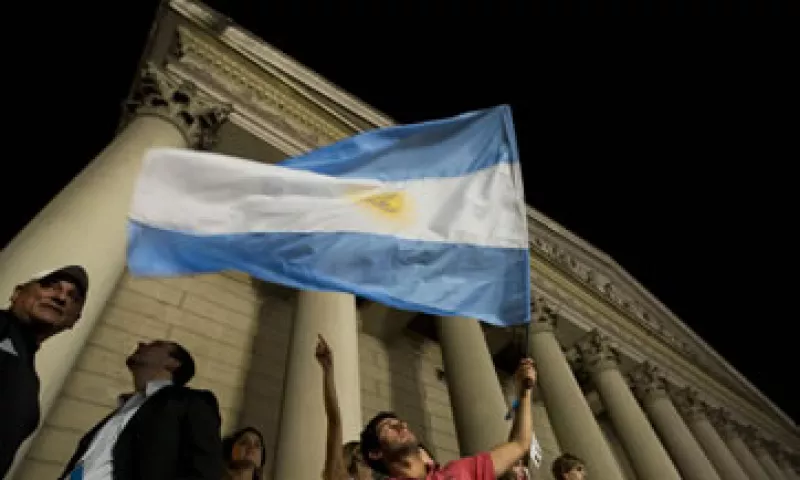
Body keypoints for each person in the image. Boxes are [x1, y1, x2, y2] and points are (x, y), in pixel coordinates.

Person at [58, 340, 224, 480]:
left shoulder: (191, 401)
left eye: (156, 344)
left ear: (173, 363)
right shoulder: (123, 410)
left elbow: (205, 466)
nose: (141, 343)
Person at [360, 358, 537, 480]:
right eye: (387, 427)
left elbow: (520, 443)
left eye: (399, 422)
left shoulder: (459, 472)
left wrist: (524, 392)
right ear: (376, 453)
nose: (400, 426)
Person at [0, 265, 89, 477]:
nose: (60, 297)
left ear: (74, 321)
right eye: (50, 286)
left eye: (73, 297)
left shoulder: (30, 380)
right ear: (17, 293)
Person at [317, 334, 372, 480]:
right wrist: (328, 370)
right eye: (365, 461)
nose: (371, 470)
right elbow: (335, 421)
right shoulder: (339, 476)